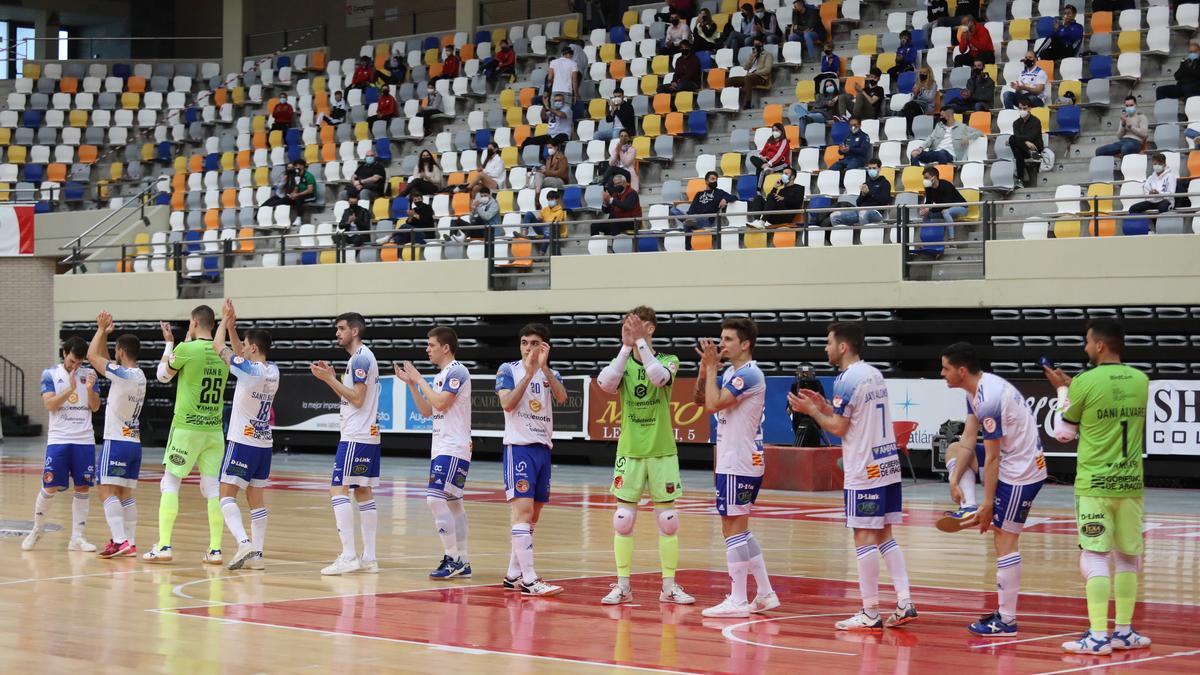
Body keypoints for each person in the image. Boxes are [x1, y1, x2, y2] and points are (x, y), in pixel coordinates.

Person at [787, 322, 916, 630]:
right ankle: (905, 600)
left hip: (865, 468)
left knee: (862, 536)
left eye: (829, 343)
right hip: (887, 465)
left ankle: (870, 612)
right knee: (885, 534)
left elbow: (840, 428)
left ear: (843, 347)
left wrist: (813, 412)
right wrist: (824, 406)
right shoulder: (873, 373)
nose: (826, 348)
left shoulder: (847, 378)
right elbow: (853, 415)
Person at [1044, 318, 1152, 655]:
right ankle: (1123, 632)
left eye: (1088, 342)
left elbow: (1064, 432)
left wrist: (1063, 390)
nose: (1085, 347)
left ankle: (1096, 636)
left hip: (1095, 483)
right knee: (1128, 557)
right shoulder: (1141, 380)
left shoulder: (1084, 383)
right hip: (1130, 483)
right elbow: (1111, 403)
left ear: (1100, 345)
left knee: (1094, 557)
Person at [937, 342, 1047, 637]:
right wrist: (954, 479)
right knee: (953, 452)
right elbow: (969, 439)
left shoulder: (989, 397)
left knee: (1004, 539)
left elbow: (994, 457)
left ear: (961, 371)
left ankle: (1007, 620)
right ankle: (968, 506)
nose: (942, 373)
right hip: (1010, 459)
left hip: (1021, 472)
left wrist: (989, 503)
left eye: (945, 368)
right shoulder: (974, 392)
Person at [595, 308, 694, 606]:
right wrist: (626, 346)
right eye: (626, 326)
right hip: (630, 451)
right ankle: (623, 585)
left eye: (635, 325)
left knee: (668, 520)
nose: (629, 330)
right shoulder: (622, 362)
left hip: (662, 451)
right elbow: (605, 384)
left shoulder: (668, 360)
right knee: (623, 520)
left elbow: (658, 379)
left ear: (650, 328)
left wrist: (639, 343)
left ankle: (669, 586)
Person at [696, 318, 778, 618]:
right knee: (739, 527)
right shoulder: (733, 372)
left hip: (738, 460)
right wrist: (706, 369)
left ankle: (739, 599)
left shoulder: (748, 374)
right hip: (741, 459)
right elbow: (700, 398)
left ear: (745, 344)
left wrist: (712, 370)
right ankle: (766, 593)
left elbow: (713, 405)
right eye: (721, 338)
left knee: (731, 528)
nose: (722, 344)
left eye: (728, 339)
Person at [142, 306, 230, 564]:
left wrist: (170, 344)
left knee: (170, 484)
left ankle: (165, 546)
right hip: (214, 430)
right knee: (213, 488)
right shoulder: (225, 354)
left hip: (186, 429)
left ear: (193, 322)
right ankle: (215, 549)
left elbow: (162, 377)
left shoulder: (185, 349)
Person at [394, 327, 473, 579]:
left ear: (445, 347)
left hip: (453, 446)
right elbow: (428, 412)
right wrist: (412, 385)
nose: (427, 349)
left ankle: (452, 559)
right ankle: (463, 559)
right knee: (454, 503)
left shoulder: (457, 371)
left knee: (434, 499)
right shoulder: (441, 376)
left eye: (431, 345)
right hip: (442, 446)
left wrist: (419, 380)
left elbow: (440, 403)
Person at [496, 323, 568, 596]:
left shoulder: (551, 373)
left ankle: (514, 573)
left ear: (544, 347)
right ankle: (529, 579)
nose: (528, 347)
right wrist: (527, 375)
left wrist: (544, 369)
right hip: (520, 447)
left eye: (534, 343)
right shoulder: (508, 370)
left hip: (542, 448)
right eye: (524, 342)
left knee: (533, 516)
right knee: (523, 513)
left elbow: (561, 397)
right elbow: (507, 403)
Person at [309, 313, 382, 576]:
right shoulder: (360, 358)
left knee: (337, 490)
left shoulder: (361, 357)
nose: (337, 333)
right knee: (363, 492)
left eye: (341, 329)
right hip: (368, 435)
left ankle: (350, 555)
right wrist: (332, 377)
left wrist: (329, 379)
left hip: (355, 436)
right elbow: (353, 398)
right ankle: (369, 559)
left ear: (355, 330)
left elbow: (358, 399)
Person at [212, 300, 278, 572]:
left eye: (247, 346)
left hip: (242, 441)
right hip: (264, 444)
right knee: (256, 499)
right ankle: (258, 556)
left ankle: (243, 542)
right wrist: (234, 327)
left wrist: (223, 322)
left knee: (226, 495)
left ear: (253, 348)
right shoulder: (273, 371)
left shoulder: (248, 370)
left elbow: (220, 348)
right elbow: (239, 352)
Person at [23, 335, 100, 553]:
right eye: (72, 361)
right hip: (59, 439)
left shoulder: (90, 375)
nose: (76, 366)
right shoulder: (50, 374)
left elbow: (95, 407)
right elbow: (50, 405)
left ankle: (77, 537)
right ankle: (37, 529)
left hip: (84, 439)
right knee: (50, 486)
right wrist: (71, 388)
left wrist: (90, 391)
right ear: (65, 353)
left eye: (80, 362)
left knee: (83, 487)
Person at [86, 312, 146, 559]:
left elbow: (92, 357)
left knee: (104, 490)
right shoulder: (138, 375)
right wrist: (107, 336)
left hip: (117, 441)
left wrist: (100, 329)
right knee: (124, 494)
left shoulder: (122, 375)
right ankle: (129, 543)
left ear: (121, 350)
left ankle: (120, 540)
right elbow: (106, 362)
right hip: (134, 442)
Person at [910, 107, 983, 166]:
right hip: (935, 152)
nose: (940, 117)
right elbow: (931, 138)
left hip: (949, 155)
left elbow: (979, 132)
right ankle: (918, 175)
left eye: (942, 115)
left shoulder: (962, 127)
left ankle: (945, 173)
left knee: (942, 153)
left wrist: (968, 137)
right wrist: (921, 148)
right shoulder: (939, 126)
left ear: (949, 115)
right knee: (914, 153)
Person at [831, 157, 890, 229]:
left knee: (863, 212)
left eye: (874, 168)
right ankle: (843, 238)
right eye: (870, 168)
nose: (871, 170)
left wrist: (869, 193)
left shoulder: (885, 183)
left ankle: (864, 238)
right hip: (860, 210)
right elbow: (858, 203)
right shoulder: (866, 183)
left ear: (879, 169)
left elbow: (885, 200)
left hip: (876, 211)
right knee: (834, 216)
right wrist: (863, 194)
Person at [918, 165, 967, 251]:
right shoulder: (928, 188)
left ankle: (951, 240)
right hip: (945, 208)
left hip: (961, 207)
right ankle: (926, 241)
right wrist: (924, 208)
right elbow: (929, 202)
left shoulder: (946, 185)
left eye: (926, 177)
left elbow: (946, 204)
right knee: (927, 215)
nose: (925, 180)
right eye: (924, 178)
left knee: (945, 211)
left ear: (934, 177)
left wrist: (930, 209)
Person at [671, 170, 734, 235]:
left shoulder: (719, 192)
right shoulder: (699, 194)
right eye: (712, 179)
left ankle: (687, 220)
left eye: (716, 179)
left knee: (687, 224)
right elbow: (693, 208)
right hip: (694, 217)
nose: (715, 181)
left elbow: (734, 197)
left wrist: (725, 199)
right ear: (706, 181)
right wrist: (690, 215)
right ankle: (688, 220)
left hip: (707, 220)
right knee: (673, 209)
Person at [1127, 153, 1176, 221]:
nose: (1156, 166)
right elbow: (1146, 190)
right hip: (1152, 201)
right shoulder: (1151, 177)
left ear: (1164, 164)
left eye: (1158, 164)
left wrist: (1159, 193)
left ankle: (1160, 229)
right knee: (1133, 209)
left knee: (1163, 207)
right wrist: (1150, 193)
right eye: (1154, 164)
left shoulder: (1170, 176)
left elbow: (1171, 193)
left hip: (1165, 201)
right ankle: (1147, 230)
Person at [728, 38, 774, 109]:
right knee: (730, 80)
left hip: (761, 78)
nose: (756, 46)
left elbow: (767, 69)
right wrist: (750, 59)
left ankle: (748, 103)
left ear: (762, 44)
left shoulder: (768, 55)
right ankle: (730, 103)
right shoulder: (752, 54)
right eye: (754, 44)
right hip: (749, 77)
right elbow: (745, 68)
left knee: (747, 78)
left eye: (758, 44)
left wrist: (755, 73)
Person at [787, 365, 825, 447]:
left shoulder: (817, 384)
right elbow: (788, 411)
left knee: (814, 449)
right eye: (802, 373)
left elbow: (823, 404)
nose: (805, 376)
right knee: (800, 450)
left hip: (814, 422)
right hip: (798, 422)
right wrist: (793, 403)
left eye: (807, 373)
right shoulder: (795, 386)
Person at [1009, 99, 1044, 187]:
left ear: (1029, 109)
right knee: (1014, 143)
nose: (1022, 111)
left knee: (1014, 144)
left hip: (1036, 150)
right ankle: (1020, 180)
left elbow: (1032, 136)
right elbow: (1017, 136)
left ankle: (1020, 179)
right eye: (1020, 108)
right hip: (1026, 150)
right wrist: (1026, 142)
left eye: (1024, 108)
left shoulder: (1036, 121)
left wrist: (1024, 140)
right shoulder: (1016, 123)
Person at [749, 123, 792, 187]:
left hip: (781, 163)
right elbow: (761, 153)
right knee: (752, 157)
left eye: (777, 130)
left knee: (760, 169)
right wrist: (762, 157)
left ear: (781, 131)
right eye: (773, 130)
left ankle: (758, 190)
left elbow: (778, 155)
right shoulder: (770, 140)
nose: (775, 132)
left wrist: (769, 164)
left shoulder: (784, 141)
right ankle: (765, 168)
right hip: (768, 163)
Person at [902, 66, 939, 136]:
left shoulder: (933, 84)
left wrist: (920, 92)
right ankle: (912, 132)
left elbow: (930, 98)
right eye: (920, 73)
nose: (922, 74)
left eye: (924, 73)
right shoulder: (917, 84)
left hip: (926, 106)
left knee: (909, 107)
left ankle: (909, 131)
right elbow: (912, 99)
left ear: (929, 74)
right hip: (915, 105)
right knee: (909, 109)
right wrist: (915, 94)